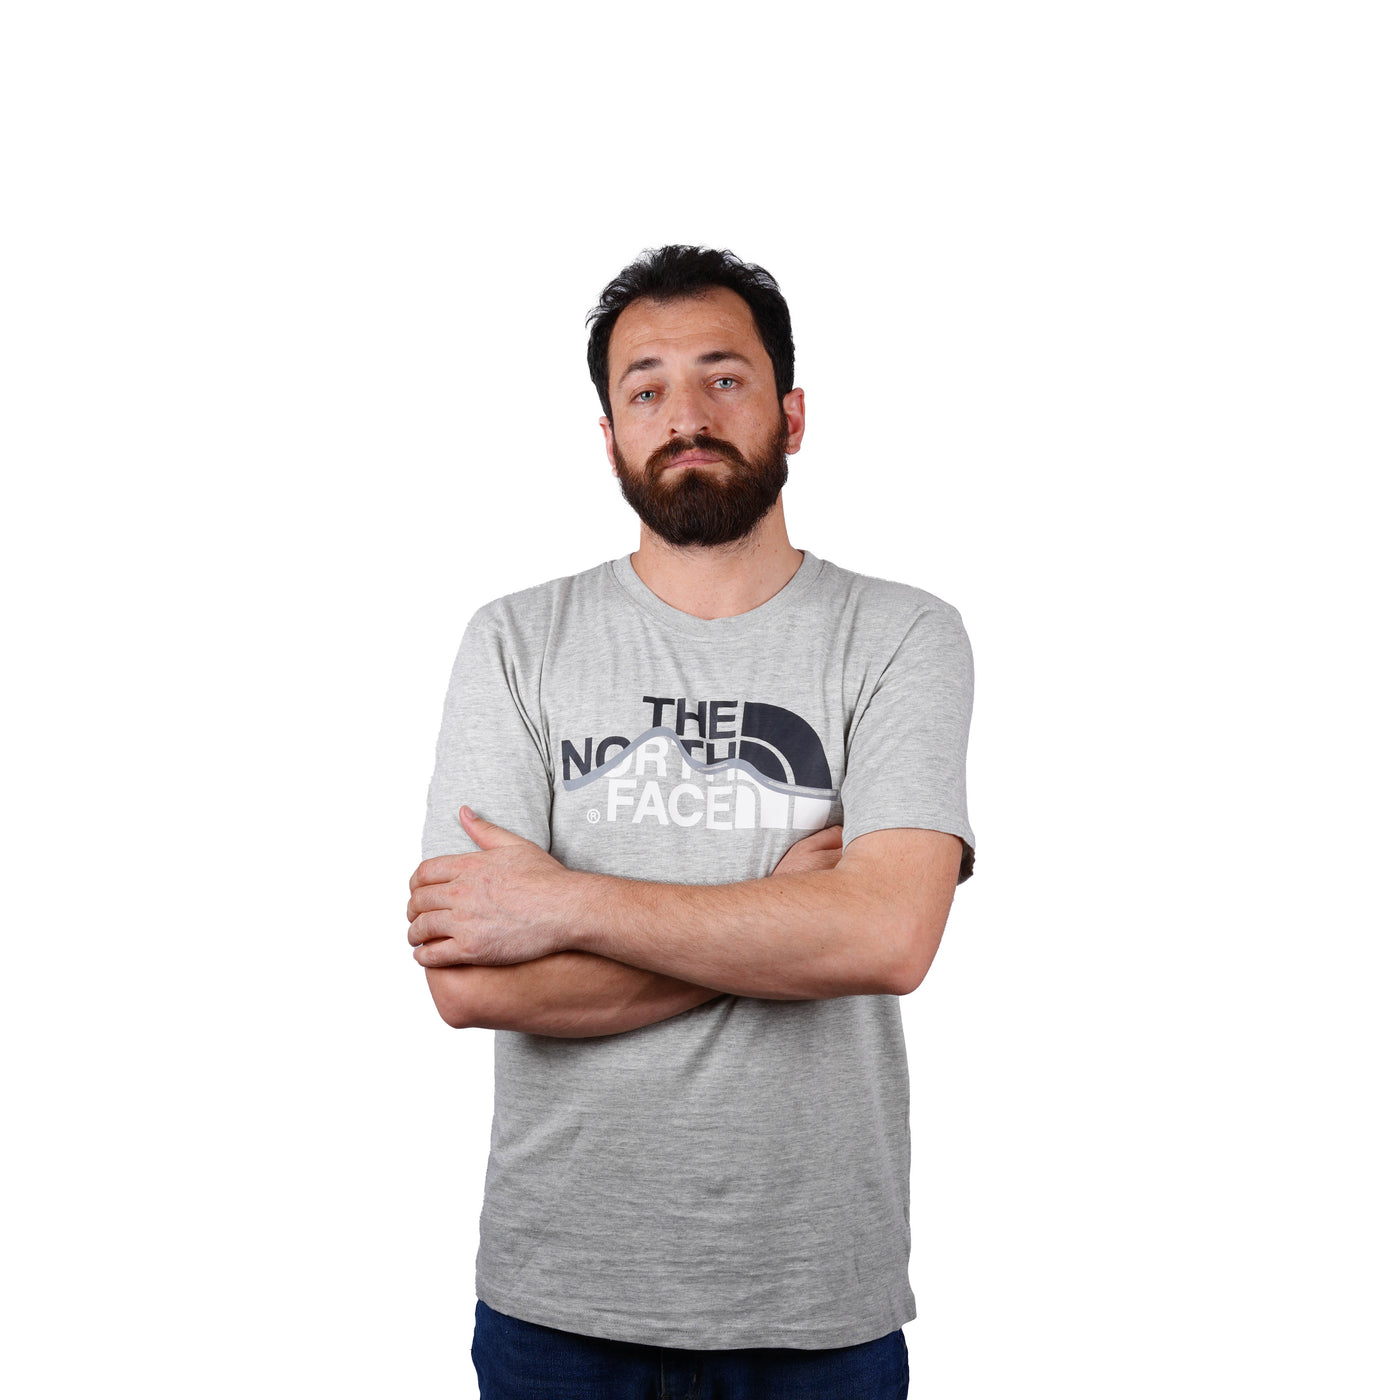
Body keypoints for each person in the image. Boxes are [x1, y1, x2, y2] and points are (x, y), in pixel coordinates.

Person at [408, 244, 976, 1399]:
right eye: (645, 388)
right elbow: (468, 981)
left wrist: (561, 903)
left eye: (723, 377)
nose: (684, 416)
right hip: (557, 1304)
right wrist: (784, 916)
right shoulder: (515, 639)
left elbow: (885, 938)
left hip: (814, 1306)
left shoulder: (900, 635)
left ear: (791, 414)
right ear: (609, 435)